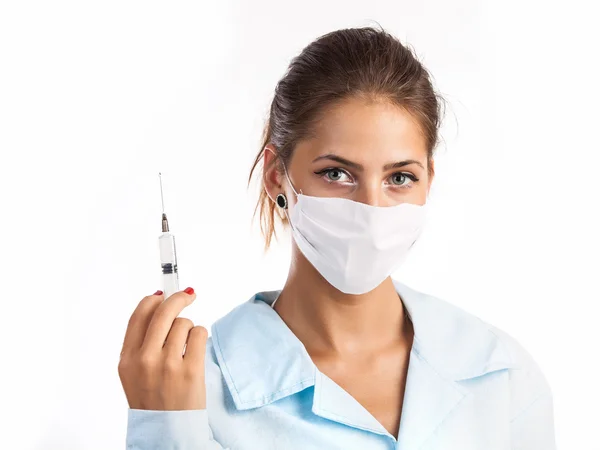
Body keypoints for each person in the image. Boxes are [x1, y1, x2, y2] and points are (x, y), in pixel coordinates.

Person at [118, 26, 556, 449]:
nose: (371, 209)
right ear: (277, 178)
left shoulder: (500, 375)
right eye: (336, 174)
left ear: (429, 180)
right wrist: (168, 435)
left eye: (400, 177)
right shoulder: (193, 394)